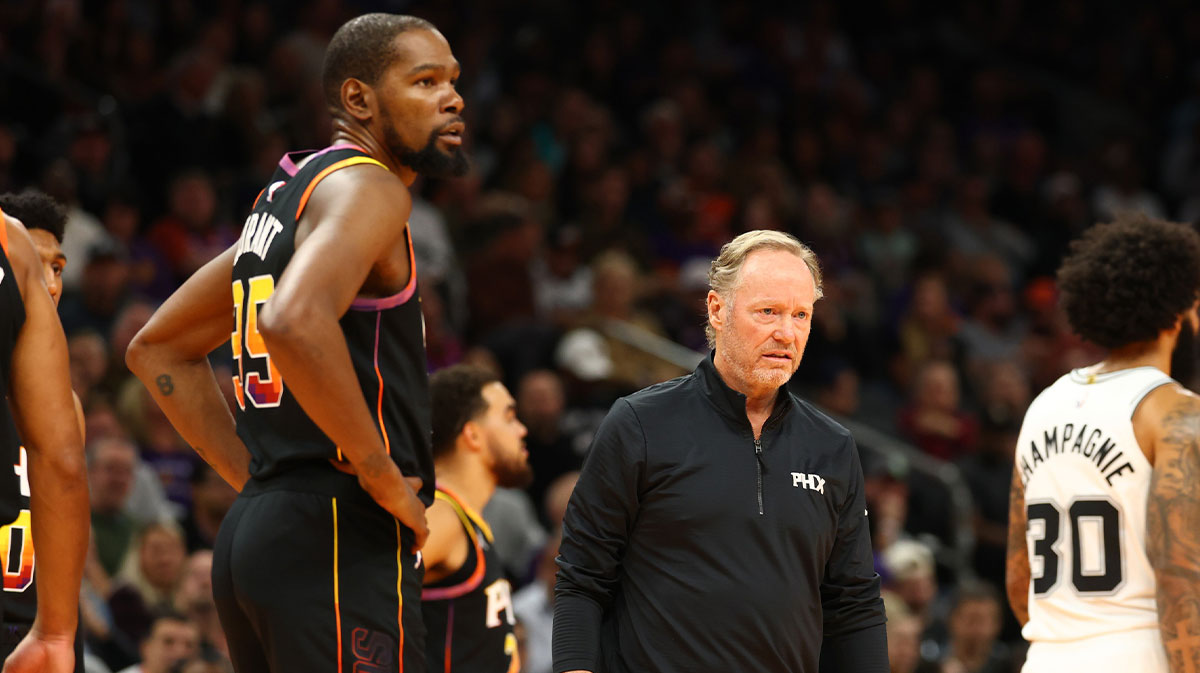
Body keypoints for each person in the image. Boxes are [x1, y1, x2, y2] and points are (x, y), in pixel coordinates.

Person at [126, 12, 468, 672]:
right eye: (424, 81)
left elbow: (158, 348)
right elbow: (291, 320)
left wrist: (259, 482)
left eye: (452, 80)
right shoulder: (370, 186)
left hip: (264, 533)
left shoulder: (290, 197)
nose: (451, 97)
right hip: (337, 534)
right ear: (357, 99)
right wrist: (380, 472)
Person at [553, 230, 887, 673]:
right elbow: (582, 577)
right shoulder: (639, 424)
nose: (786, 333)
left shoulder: (832, 446)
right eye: (768, 311)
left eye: (801, 314)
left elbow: (854, 604)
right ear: (716, 310)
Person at [1006, 214, 1200, 673]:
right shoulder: (1176, 413)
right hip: (1141, 657)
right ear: (1178, 310)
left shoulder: (1043, 406)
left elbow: (1019, 576)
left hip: (1047, 658)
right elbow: (1181, 576)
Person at [0, 190, 90, 672]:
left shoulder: (65, 409)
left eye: (56, 268)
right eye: (36, 267)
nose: (49, 284)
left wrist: (60, 630)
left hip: (35, 628)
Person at [421, 365, 530, 672]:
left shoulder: (464, 518)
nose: (522, 429)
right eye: (509, 417)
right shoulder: (440, 515)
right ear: (472, 434)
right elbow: (357, 589)